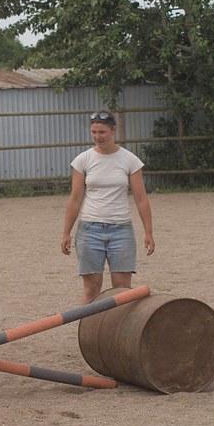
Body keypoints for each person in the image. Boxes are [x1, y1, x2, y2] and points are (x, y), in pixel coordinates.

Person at [61, 111, 155, 303]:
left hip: (121, 229)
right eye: (94, 132)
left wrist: (148, 232)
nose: (98, 137)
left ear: (113, 130)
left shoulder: (130, 160)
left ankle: (118, 331)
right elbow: (75, 198)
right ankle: (88, 330)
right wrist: (66, 232)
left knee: (121, 289)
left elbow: (141, 199)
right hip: (89, 229)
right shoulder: (83, 160)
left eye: (102, 132)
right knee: (91, 288)